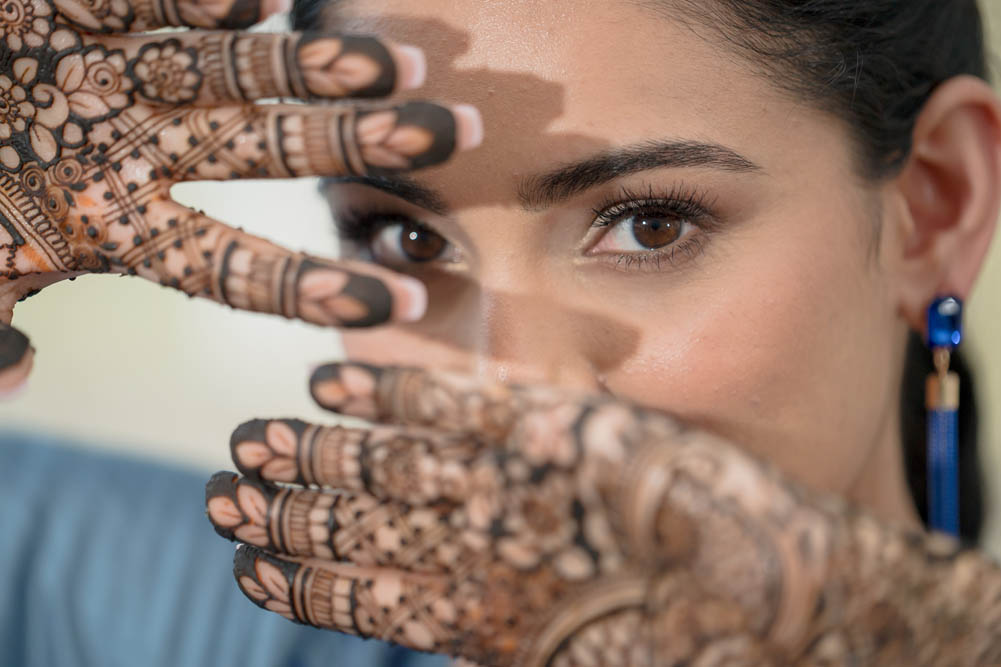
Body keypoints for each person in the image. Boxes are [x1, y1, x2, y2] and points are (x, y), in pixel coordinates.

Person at [3, 0, 1001, 665]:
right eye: (403, 237)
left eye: (649, 224)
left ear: (937, 205)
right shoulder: (205, 625)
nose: (504, 393)